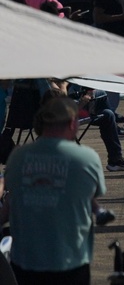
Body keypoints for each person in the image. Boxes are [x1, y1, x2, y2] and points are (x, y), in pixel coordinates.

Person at [5, 97, 105, 284]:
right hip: (71, 259)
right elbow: (93, 195)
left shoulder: (17, 156)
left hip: (26, 261)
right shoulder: (87, 158)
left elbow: (11, 196)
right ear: (73, 123)